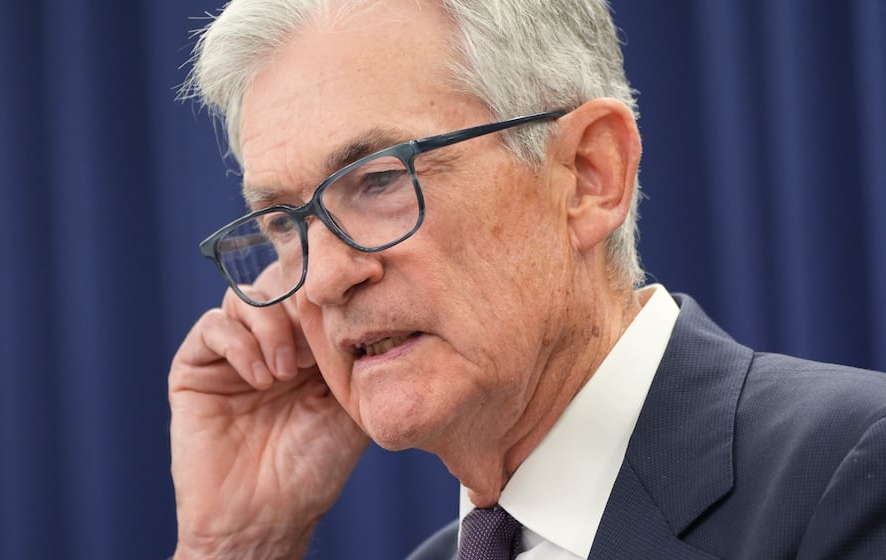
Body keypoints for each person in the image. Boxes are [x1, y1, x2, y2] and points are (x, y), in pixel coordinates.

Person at [167, 0, 886, 558]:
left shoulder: (849, 478)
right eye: (284, 224)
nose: (322, 280)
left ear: (587, 176)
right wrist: (238, 546)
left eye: (379, 180)